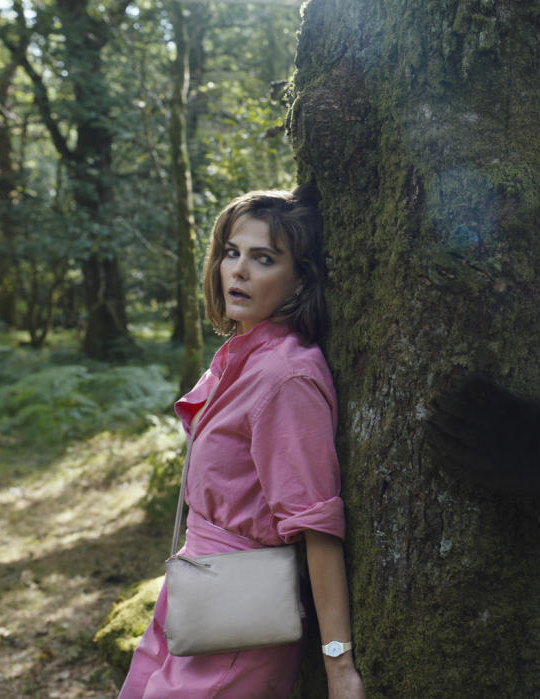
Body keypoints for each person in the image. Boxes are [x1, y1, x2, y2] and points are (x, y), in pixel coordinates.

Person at [120, 186, 364, 698]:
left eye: (264, 259)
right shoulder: (242, 355)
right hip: (195, 593)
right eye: (232, 252)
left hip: (239, 621)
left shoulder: (285, 377)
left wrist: (338, 666)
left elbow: (318, 527)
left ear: (301, 277)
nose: (239, 271)